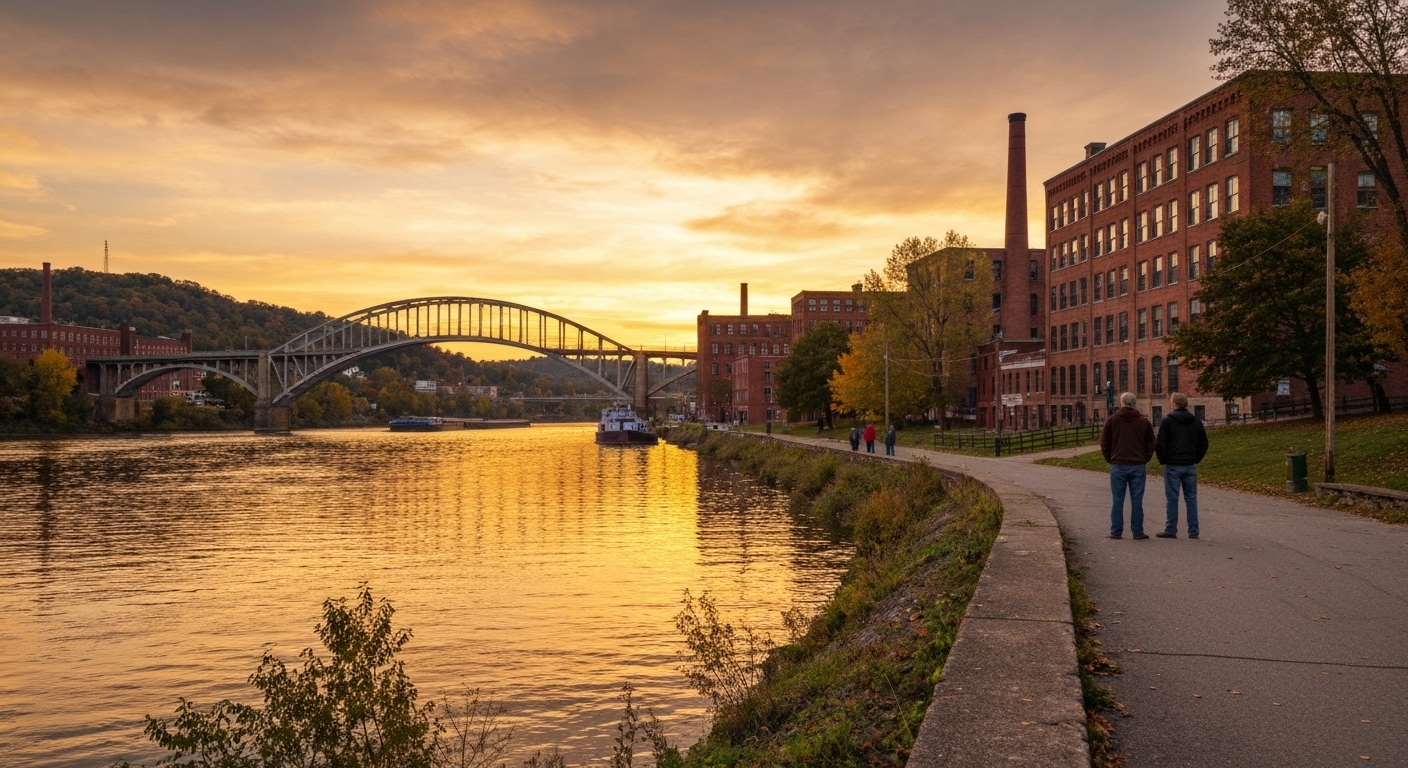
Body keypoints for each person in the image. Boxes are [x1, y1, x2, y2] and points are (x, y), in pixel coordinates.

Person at [1100, 392, 1156, 540]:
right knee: (1137, 500)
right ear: (1135, 403)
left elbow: (1105, 442)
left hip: (1118, 464)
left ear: (1122, 403)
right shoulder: (1143, 422)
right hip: (1137, 464)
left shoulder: (1112, 420)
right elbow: (1151, 443)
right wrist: (1145, 458)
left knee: (1118, 499)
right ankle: (1137, 531)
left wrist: (1110, 458)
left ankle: (1116, 531)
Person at [1155, 392, 1209, 539]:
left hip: (1173, 463)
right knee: (1191, 498)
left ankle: (1171, 529)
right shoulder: (1196, 422)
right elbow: (1203, 444)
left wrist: (1163, 459)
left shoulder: (1167, 421)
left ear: (1174, 404)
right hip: (1189, 463)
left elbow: (1160, 444)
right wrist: (1195, 458)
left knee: (1172, 498)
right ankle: (1193, 530)